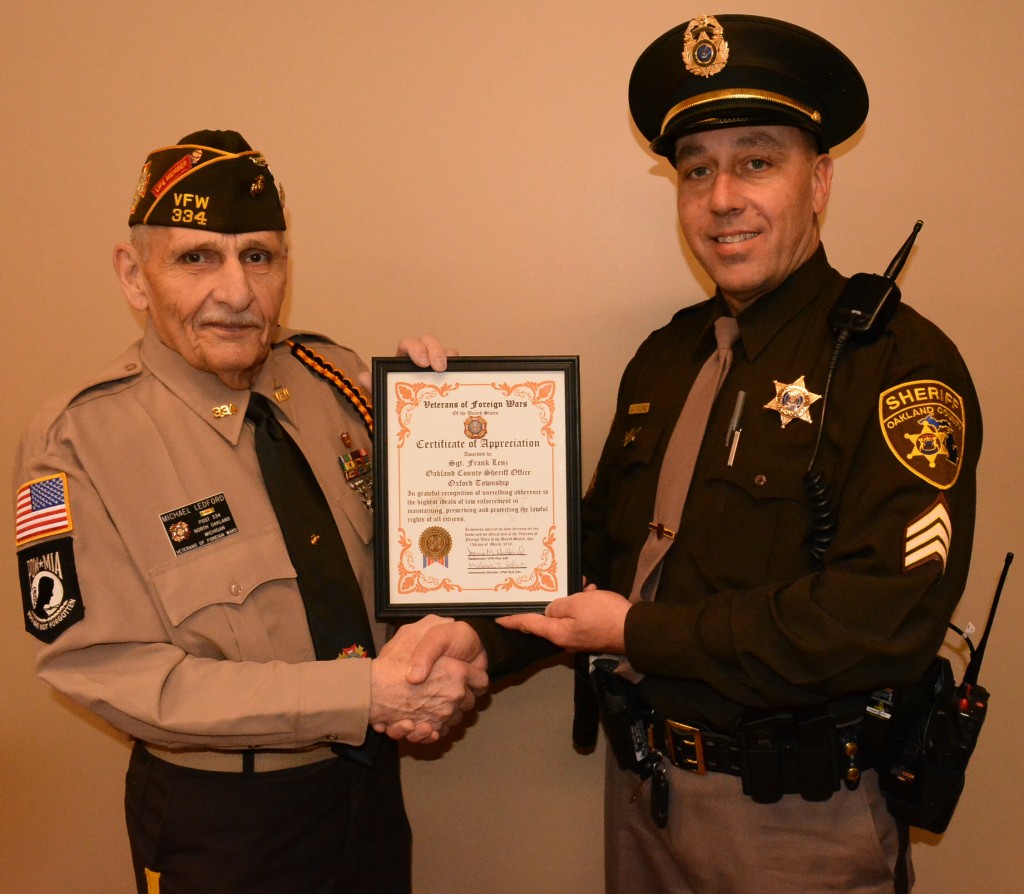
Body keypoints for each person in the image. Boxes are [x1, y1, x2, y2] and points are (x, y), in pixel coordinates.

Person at [406, 13, 981, 893]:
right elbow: (588, 552)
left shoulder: (899, 364)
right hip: (641, 800)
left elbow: (881, 621)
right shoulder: (666, 357)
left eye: (757, 161)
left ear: (819, 182)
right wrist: (476, 640)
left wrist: (637, 632)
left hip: (797, 829)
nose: (722, 198)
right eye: (697, 170)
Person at [13, 129, 487, 894]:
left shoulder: (341, 383)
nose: (236, 292)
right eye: (197, 257)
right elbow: (99, 667)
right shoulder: (75, 441)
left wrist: (459, 422)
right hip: (222, 821)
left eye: (258, 257)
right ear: (134, 276)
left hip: (366, 794)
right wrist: (361, 695)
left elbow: (431, 560)